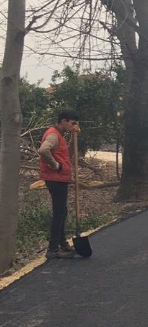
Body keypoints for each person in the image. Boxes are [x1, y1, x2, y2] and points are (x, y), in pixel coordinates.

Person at [38, 110, 79, 260]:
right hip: (55, 178)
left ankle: (62, 244)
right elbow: (43, 150)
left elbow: (67, 154)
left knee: (62, 211)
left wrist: (75, 136)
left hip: (59, 178)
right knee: (59, 213)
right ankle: (53, 249)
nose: (74, 126)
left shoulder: (59, 136)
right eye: (72, 123)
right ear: (64, 121)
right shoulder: (54, 134)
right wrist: (56, 166)